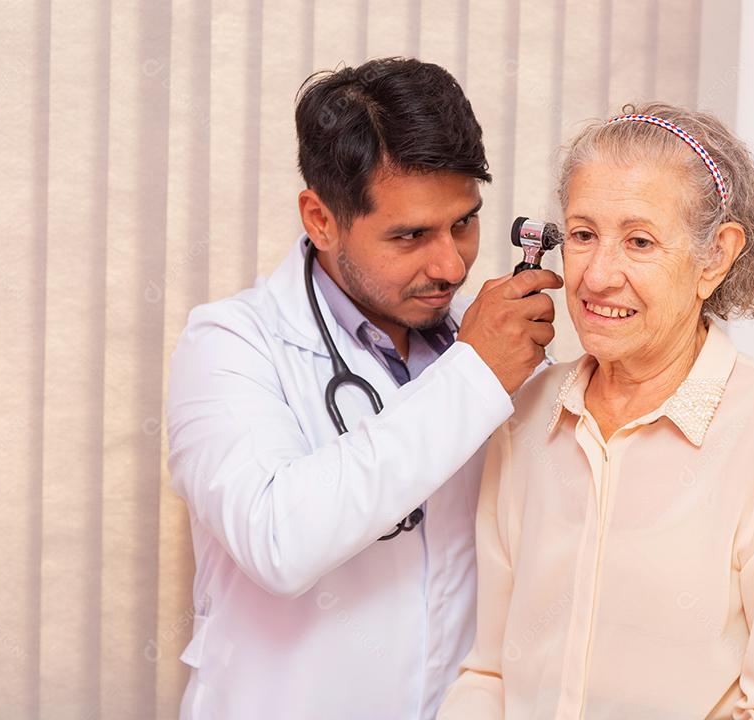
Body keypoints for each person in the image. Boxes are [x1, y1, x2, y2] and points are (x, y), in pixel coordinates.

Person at [165, 57, 561, 719]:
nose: (451, 265)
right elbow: (278, 542)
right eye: (409, 235)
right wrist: (476, 374)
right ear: (320, 219)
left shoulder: (482, 352)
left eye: (463, 223)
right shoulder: (229, 343)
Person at [438, 103, 754, 719]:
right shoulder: (522, 413)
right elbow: (492, 670)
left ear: (714, 257)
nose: (599, 276)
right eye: (583, 235)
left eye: (639, 241)